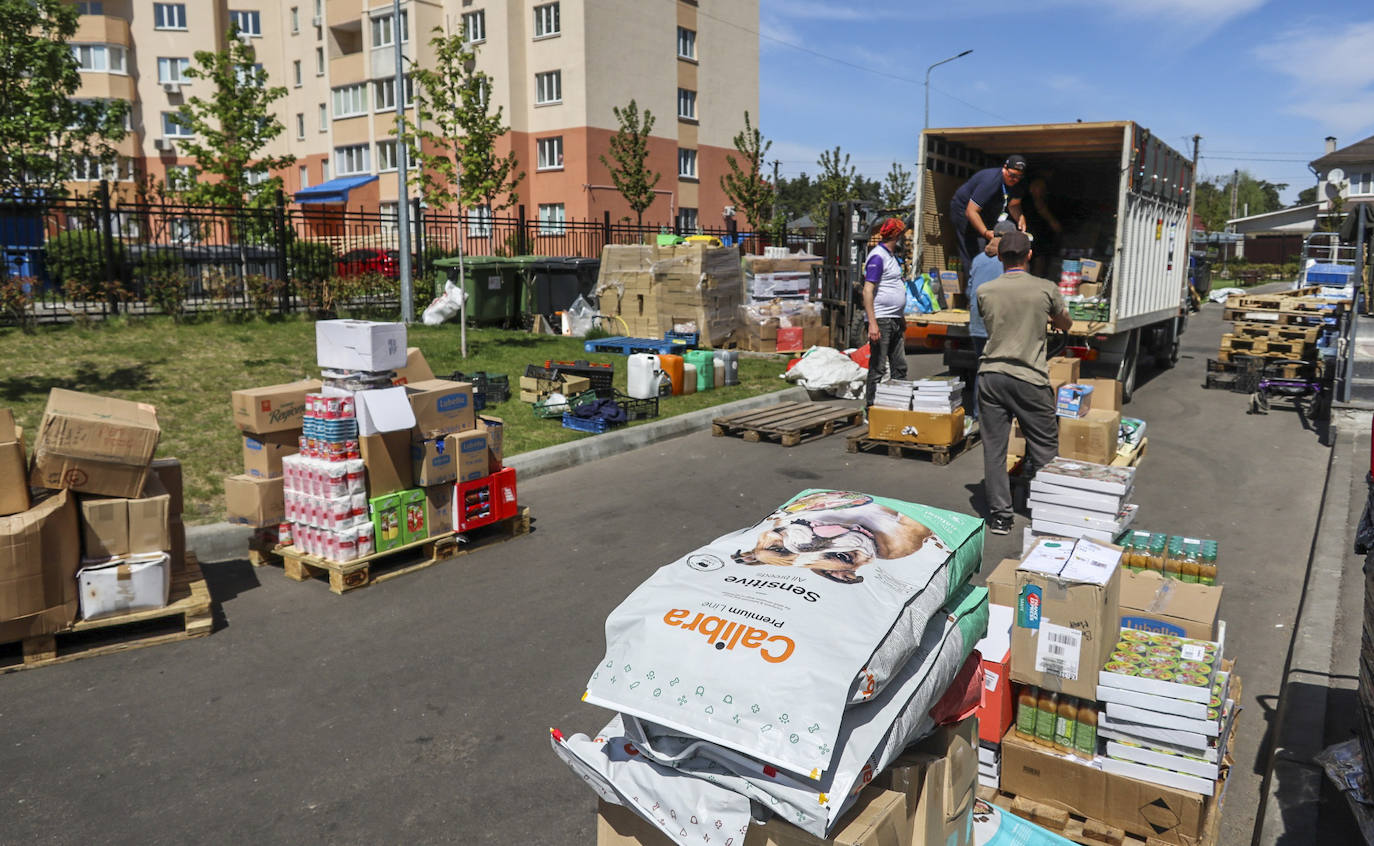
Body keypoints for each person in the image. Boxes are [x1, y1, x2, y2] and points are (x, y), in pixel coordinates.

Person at [976, 230, 1073, 535]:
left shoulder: (985, 290)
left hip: (991, 376)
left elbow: (992, 324)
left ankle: (1001, 517)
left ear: (1001, 257)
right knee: (1044, 449)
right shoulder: (1045, 289)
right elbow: (1064, 323)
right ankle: (1048, 516)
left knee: (994, 449)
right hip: (1029, 377)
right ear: (1029, 255)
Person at [965, 219, 1019, 420]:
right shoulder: (1007, 261)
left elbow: (970, 289)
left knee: (983, 370)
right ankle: (999, 415)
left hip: (978, 323)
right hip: (999, 324)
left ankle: (980, 414)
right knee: (1004, 370)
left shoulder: (978, 259)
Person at [949, 155, 1028, 275]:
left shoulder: (1017, 184)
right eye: (1012, 175)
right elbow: (971, 211)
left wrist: (1020, 219)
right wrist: (985, 232)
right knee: (975, 249)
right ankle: (974, 286)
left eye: (1019, 176)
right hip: (966, 210)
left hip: (986, 211)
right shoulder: (990, 181)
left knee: (991, 248)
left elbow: (1013, 205)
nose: (1015, 179)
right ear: (1004, 168)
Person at [862, 218, 909, 409]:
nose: (905, 239)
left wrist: (901, 316)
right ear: (896, 235)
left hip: (895, 319)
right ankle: (871, 408)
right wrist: (872, 323)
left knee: (900, 366)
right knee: (878, 366)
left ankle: (898, 405)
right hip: (881, 320)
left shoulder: (891, 256)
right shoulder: (878, 257)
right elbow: (867, 290)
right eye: (902, 234)